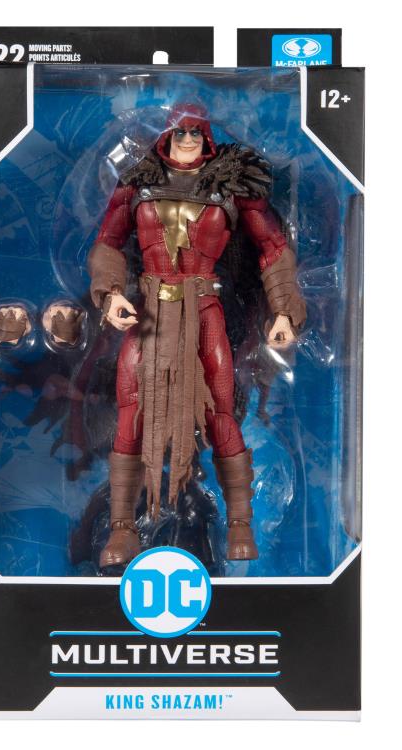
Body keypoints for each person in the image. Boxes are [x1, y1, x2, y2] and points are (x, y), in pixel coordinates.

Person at [88, 103, 306, 567]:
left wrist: (284, 312)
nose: (186, 142)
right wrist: (110, 294)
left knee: (220, 411)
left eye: (195, 134)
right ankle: (123, 528)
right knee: (131, 411)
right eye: (179, 134)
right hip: (150, 310)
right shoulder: (138, 181)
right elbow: (108, 243)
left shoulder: (231, 184)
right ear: (165, 137)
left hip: (206, 309)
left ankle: (240, 523)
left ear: (207, 138)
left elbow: (272, 247)